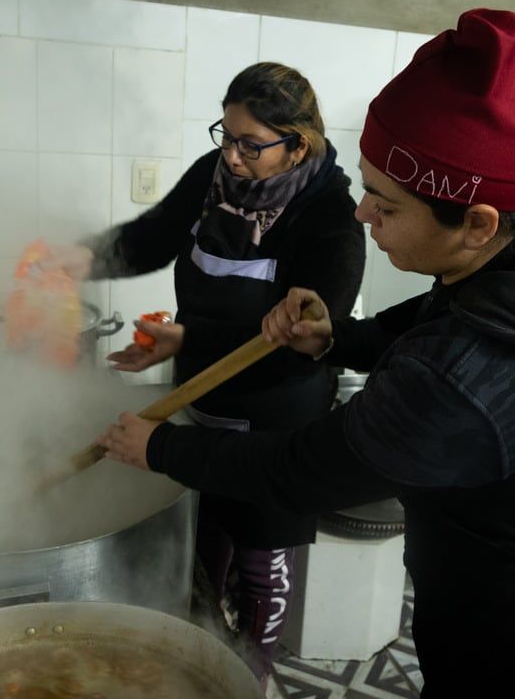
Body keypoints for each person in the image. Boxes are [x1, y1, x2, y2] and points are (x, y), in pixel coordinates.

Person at [102, 9, 515, 697]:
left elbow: (304, 470)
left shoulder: (466, 382)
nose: (362, 213)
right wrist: (337, 338)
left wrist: (158, 447)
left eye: (385, 203)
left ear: (478, 223)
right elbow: (443, 316)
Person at [49, 62, 366, 682]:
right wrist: (84, 257)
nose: (233, 156)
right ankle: (198, 673)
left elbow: (298, 342)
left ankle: (248, 681)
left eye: (251, 144)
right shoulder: (214, 176)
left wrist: (189, 338)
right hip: (196, 401)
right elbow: (152, 236)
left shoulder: (331, 220)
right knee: (204, 547)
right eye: (226, 135)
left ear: (297, 145)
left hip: (274, 420)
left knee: (259, 563)